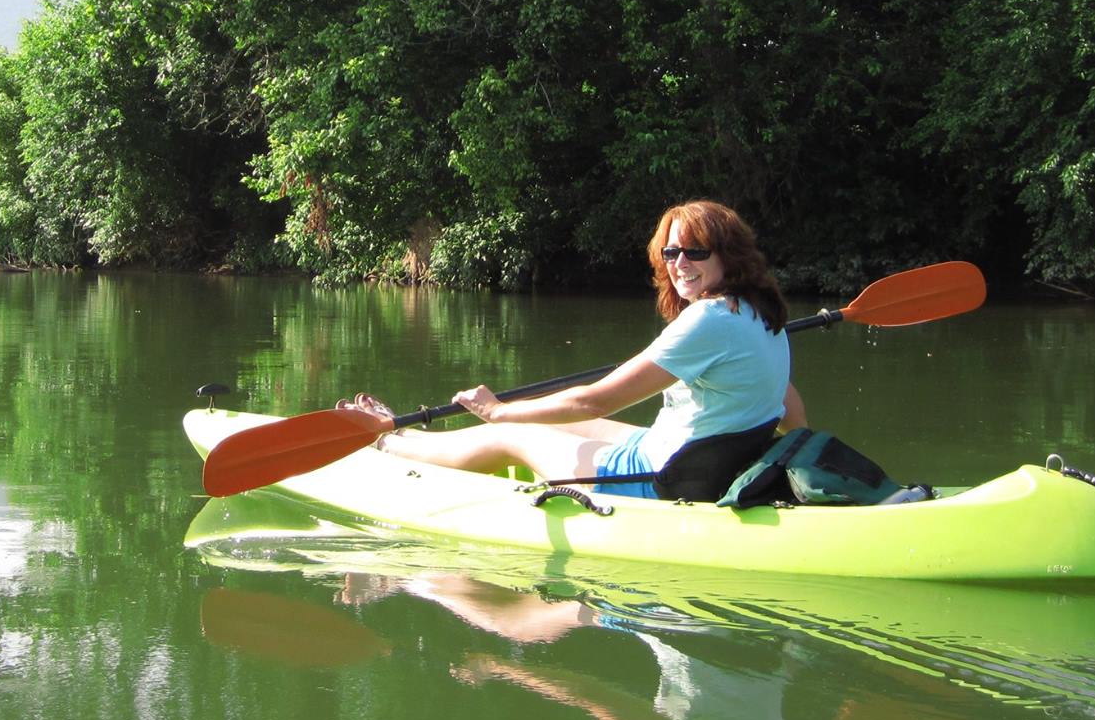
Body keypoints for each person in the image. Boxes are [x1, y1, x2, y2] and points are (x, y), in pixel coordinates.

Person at [342, 199, 804, 498]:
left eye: (695, 252)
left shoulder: (708, 319)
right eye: (670, 252)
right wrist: (785, 460)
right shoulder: (764, 314)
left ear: (729, 255)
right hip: (695, 458)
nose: (679, 264)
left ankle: (388, 442)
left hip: (663, 476)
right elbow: (788, 407)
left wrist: (499, 411)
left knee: (513, 434)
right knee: (578, 424)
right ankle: (412, 438)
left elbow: (594, 397)